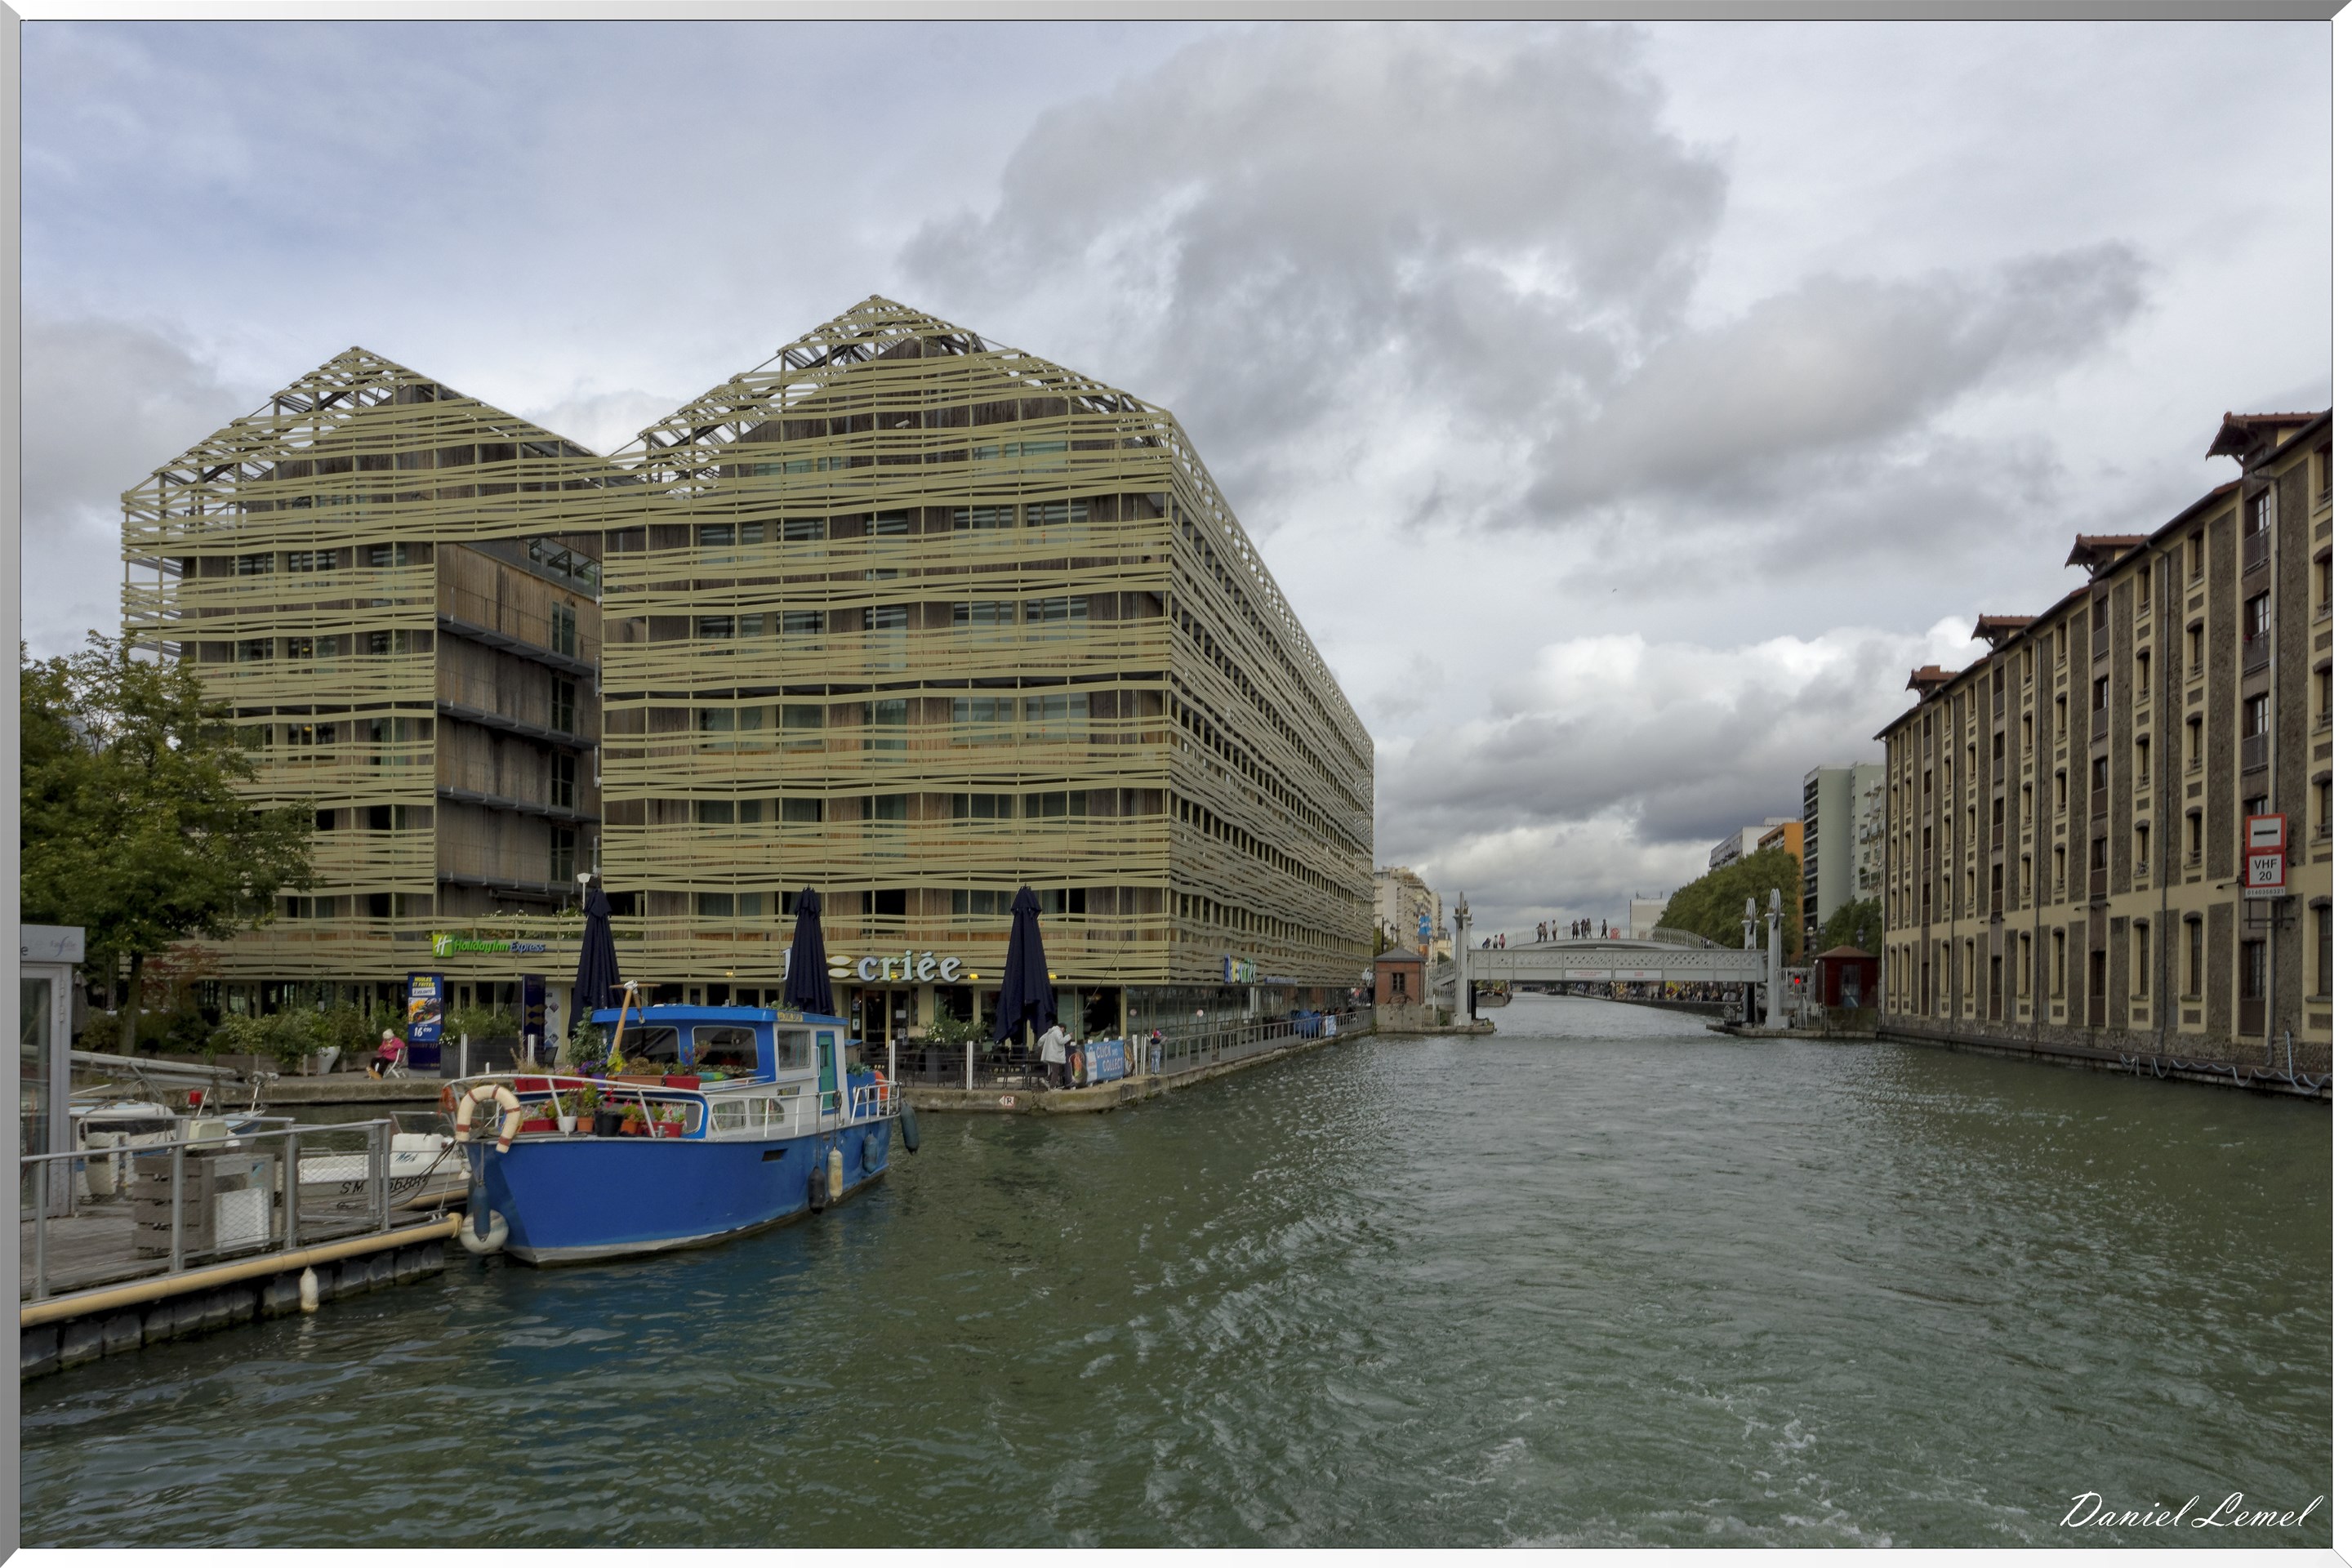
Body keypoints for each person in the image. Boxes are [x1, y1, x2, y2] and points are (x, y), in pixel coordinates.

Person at [1037, 1020, 1071, 1089]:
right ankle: (1052, 1087)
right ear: (1062, 1028)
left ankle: (1046, 1079)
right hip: (1054, 1055)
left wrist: (1040, 1046)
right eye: (1064, 1031)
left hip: (1050, 1055)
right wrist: (1069, 1036)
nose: (1063, 1032)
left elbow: (1041, 1040)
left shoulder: (1050, 1032)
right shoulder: (1058, 1032)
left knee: (1058, 1069)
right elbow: (1061, 1041)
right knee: (1056, 1071)